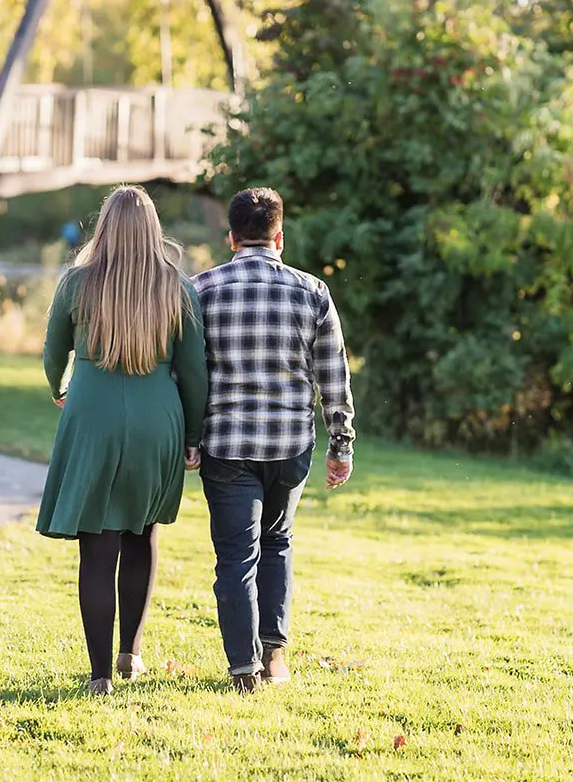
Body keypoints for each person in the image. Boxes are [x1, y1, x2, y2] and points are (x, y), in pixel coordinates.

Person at [35, 185, 208, 696]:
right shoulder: (177, 288)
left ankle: (99, 677)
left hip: (92, 413)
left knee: (97, 548)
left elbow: (52, 351)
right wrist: (193, 434)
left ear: (104, 227)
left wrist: (59, 387)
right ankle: (130, 654)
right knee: (141, 532)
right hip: (158, 417)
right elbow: (194, 371)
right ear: (153, 230)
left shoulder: (78, 283)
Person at [192, 187, 355, 692]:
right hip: (289, 444)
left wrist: (189, 438)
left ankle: (243, 667)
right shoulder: (313, 292)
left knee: (235, 555)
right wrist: (341, 444)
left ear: (231, 238)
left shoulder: (200, 290)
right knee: (277, 542)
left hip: (226, 445)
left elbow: (190, 374)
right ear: (279, 238)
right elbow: (333, 373)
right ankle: (275, 659)